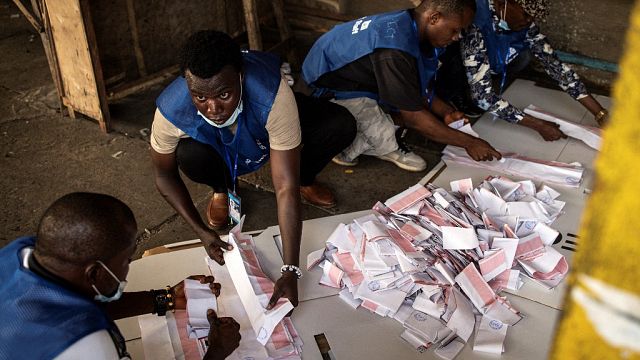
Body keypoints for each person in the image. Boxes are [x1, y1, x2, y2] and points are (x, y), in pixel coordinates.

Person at [150, 30, 355, 311]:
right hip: (217, 148)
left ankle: (305, 178)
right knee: (188, 154)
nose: (213, 109)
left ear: (241, 78)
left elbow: (283, 186)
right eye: (199, 97)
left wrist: (290, 268)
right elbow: (163, 175)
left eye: (224, 94)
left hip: (266, 121)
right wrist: (201, 231)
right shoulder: (171, 110)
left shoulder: (271, 94)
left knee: (339, 124)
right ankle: (222, 188)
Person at [0, 192, 241, 360]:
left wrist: (165, 298)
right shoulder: (87, 345)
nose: (129, 267)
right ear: (94, 273)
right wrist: (216, 353)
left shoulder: (21, 253)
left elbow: (71, 302)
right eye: (126, 260)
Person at [302, 0, 502, 172]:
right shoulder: (394, 50)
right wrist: (470, 142)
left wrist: (445, 111)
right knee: (391, 127)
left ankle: (382, 121)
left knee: (412, 112)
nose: (458, 37)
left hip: (357, 76)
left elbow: (415, 82)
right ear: (434, 18)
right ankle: (357, 146)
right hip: (328, 87)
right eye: (455, 30)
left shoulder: (409, 23)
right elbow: (414, 118)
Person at [438, 0, 609, 140]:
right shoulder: (474, 21)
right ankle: (453, 96)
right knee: (464, 77)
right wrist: (538, 125)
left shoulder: (525, 24)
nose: (529, 21)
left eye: (532, 17)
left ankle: (484, 78)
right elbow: (483, 97)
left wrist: (599, 113)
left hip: (489, 54)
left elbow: (555, 66)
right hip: (454, 62)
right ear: (503, 4)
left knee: (524, 56)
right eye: (526, 14)